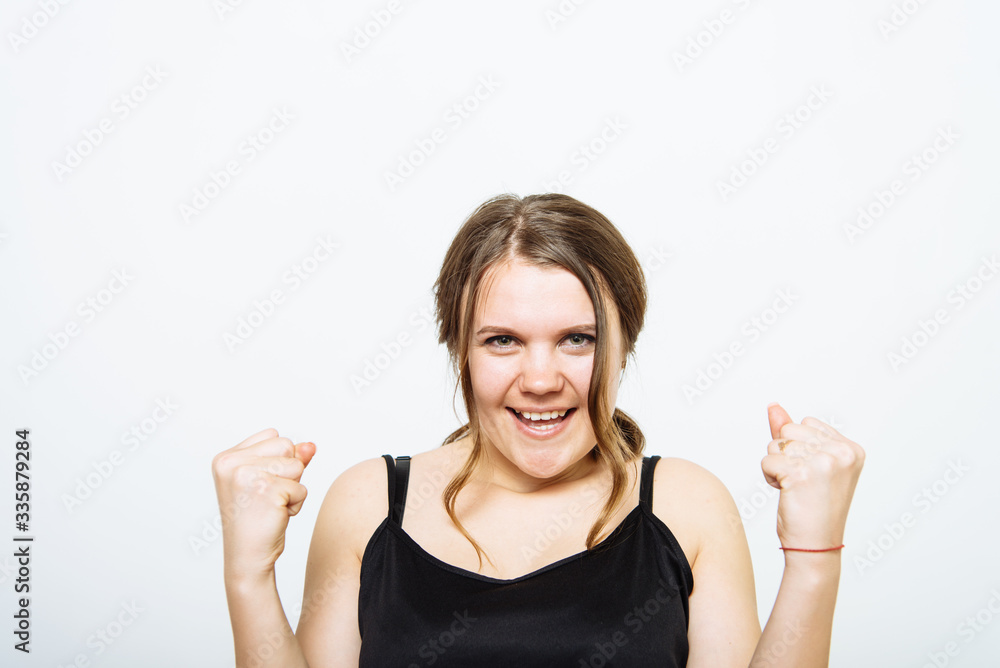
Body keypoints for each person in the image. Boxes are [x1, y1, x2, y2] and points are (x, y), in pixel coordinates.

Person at [211, 192, 865, 667]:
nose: (542, 378)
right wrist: (249, 575)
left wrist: (813, 559)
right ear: (460, 351)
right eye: (503, 340)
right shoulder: (369, 505)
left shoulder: (687, 506)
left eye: (578, 339)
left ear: (623, 347)